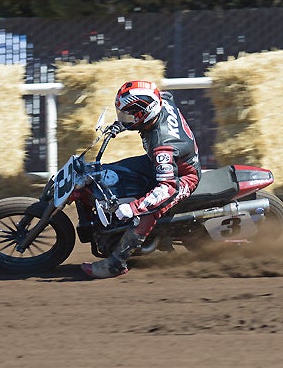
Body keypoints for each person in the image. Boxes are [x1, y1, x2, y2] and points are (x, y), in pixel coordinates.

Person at [81, 80, 202, 279]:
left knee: (148, 211)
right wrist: (120, 125)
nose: (124, 118)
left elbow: (167, 189)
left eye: (128, 116)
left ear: (145, 114)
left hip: (183, 176)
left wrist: (134, 208)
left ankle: (117, 263)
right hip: (162, 162)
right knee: (117, 170)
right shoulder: (162, 100)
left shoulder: (163, 146)